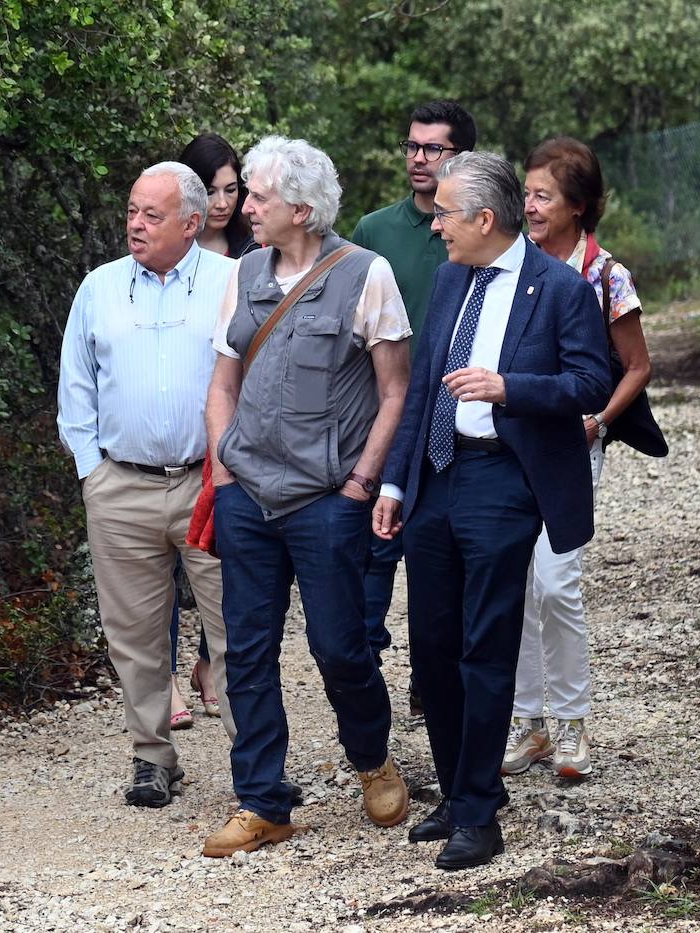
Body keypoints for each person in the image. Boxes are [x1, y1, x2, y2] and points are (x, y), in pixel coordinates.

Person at [374, 151, 610, 870]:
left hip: (505, 480)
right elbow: (419, 392)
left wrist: (509, 387)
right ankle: (461, 789)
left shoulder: (560, 289)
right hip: (436, 479)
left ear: (484, 218)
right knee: (434, 647)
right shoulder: (450, 279)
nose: (435, 223)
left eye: (445, 212)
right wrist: (393, 483)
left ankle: (478, 812)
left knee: (485, 643)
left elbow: (591, 380)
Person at [202, 136, 412, 858]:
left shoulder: (367, 274)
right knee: (248, 652)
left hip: (327, 502)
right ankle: (262, 801)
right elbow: (223, 380)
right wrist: (224, 468)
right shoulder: (244, 271)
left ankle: (373, 759)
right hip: (247, 498)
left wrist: (361, 482)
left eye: (255, 196)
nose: (242, 207)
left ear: (300, 206)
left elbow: (396, 390)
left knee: (339, 646)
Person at [57, 162, 236, 809]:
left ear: (193, 223)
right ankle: (152, 756)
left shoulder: (231, 282)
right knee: (132, 633)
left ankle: (254, 760)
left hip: (210, 483)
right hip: (121, 487)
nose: (135, 223)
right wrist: (91, 472)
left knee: (236, 621)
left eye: (151, 214)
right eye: (132, 210)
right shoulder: (100, 288)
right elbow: (74, 386)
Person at [502, 137, 653, 780]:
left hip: (573, 442)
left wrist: (597, 420)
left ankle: (571, 722)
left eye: (543, 196)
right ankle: (527, 721)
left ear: (579, 206)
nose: (530, 206)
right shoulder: (509, 262)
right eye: (527, 193)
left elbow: (638, 366)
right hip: (510, 441)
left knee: (557, 580)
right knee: (512, 579)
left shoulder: (605, 275)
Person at [351, 100, 477, 676]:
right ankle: (368, 704)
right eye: (412, 146)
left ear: (461, 156)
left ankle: (435, 681)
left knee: (444, 566)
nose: (418, 158)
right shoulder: (374, 232)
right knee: (372, 566)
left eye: (433, 148)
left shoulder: (483, 234)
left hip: (456, 426)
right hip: (383, 423)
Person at [166, 132, 253, 725]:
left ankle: (210, 663)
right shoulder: (169, 253)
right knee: (162, 568)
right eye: (212, 190)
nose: (222, 202)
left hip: (230, 434)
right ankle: (165, 679)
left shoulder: (254, 255)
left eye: (232, 189)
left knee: (220, 556)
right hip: (170, 431)